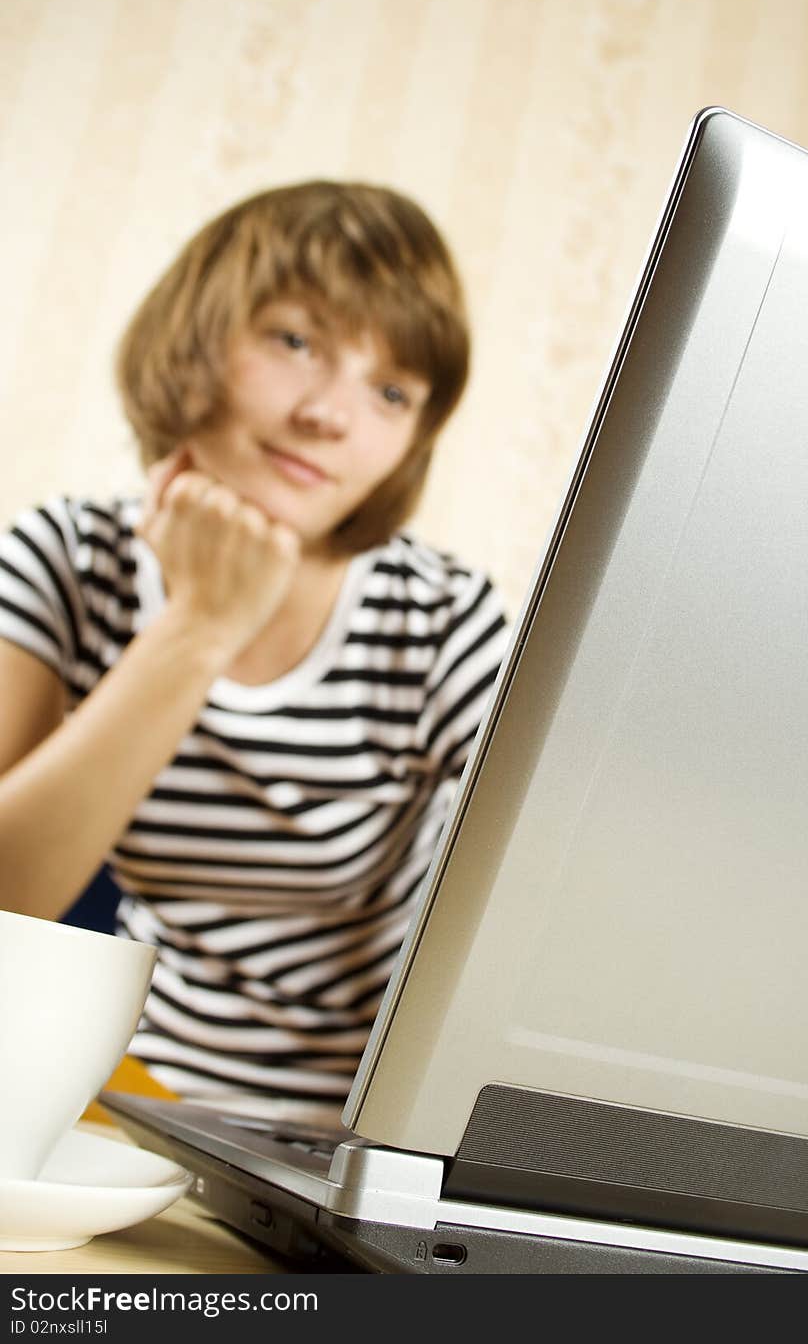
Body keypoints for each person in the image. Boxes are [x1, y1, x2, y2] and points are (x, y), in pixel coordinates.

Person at [0, 181, 509, 1128]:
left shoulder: (443, 621)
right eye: (296, 341)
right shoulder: (68, 562)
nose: (331, 414)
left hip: (361, 1137)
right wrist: (198, 626)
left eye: (391, 391)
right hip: (128, 1106)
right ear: (193, 336)